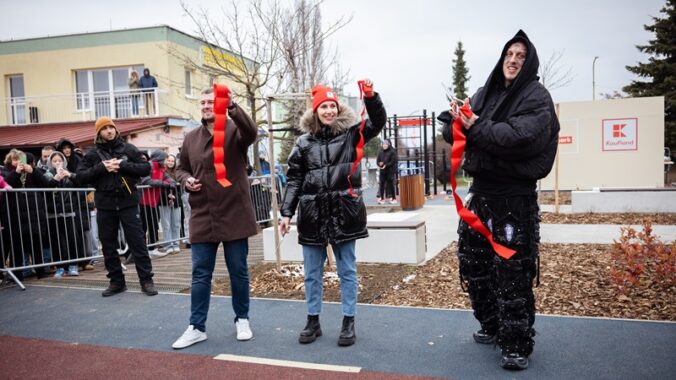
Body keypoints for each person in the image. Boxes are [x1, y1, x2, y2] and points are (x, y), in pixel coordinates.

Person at [438, 30, 559, 370]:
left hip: (514, 202)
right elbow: (459, 132)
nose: (513, 59)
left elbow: (516, 137)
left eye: (520, 55)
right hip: (481, 197)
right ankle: (491, 323)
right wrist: (455, 119)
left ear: (528, 62)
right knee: (473, 265)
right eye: (509, 53)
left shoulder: (536, 96)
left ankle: (516, 343)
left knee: (512, 273)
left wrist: (475, 125)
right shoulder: (484, 92)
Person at [279, 79, 386, 347]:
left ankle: (349, 320)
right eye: (323, 106)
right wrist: (286, 213)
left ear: (337, 109)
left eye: (332, 106)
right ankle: (313, 320)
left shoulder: (351, 134)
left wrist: (371, 97)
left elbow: (378, 121)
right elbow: (294, 180)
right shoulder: (303, 143)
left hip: (343, 212)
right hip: (313, 214)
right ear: (315, 111)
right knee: (311, 272)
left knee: (347, 269)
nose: (328, 110)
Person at [172, 87, 258, 349]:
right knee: (200, 274)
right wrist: (186, 180)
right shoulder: (190, 138)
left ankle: (242, 319)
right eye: (203, 102)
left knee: (238, 272)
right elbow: (180, 168)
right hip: (203, 214)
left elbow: (252, 132)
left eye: (211, 101)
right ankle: (197, 327)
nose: (206, 106)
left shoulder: (235, 130)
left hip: (234, 212)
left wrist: (232, 106)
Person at [77, 116, 159, 297]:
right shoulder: (92, 154)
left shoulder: (128, 148)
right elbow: (80, 176)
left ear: (115, 129)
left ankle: (146, 280)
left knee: (138, 243)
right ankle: (116, 282)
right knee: (108, 245)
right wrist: (101, 167)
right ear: (99, 132)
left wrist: (123, 165)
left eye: (111, 127)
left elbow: (146, 168)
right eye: (104, 128)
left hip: (127, 202)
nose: (109, 131)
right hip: (105, 204)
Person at [1, 150, 50, 281]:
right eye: (15, 160)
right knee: (16, 247)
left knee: (36, 244)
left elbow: (45, 184)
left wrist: (33, 171)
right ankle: (17, 275)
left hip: (33, 214)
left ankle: (41, 272)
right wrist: (16, 172)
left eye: (20, 159)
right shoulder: (5, 171)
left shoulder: (31, 171)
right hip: (15, 216)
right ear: (10, 161)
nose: (18, 162)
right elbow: (6, 183)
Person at [44, 151, 84, 277]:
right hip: (53, 214)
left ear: (63, 162)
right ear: (50, 163)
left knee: (71, 239)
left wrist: (70, 175)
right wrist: (55, 179)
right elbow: (45, 191)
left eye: (59, 161)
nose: (57, 163)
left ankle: (73, 265)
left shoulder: (69, 173)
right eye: (54, 161)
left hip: (69, 212)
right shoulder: (47, 175)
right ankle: (60, 267)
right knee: (56, 242)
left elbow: (81, 185)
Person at [159, 154, 182, 254]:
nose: (171, 163)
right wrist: (167, 195)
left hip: (176, 201)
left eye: (172, 161)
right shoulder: (162, 172)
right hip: (164, 201)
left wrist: (174, 197)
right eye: (169, 160)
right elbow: (159, 186)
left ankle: (176, 244)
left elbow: (180, 188)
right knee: (166, 224)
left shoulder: (177, 173)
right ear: (165, 161)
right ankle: (168, 245)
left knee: (176, 223)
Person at [376, 139, 398, 204]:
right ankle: (382, 199)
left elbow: (393, 161)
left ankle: (394, 198)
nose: (384, 145)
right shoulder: (380, 152)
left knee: (391, 184)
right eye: (383, 144)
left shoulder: (392, 151)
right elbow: (378, 161)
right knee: (381, 184)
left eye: (386, 144)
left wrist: (386, 165)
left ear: (388, 145)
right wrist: (380, 164)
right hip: (382, 171)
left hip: (390, 171)